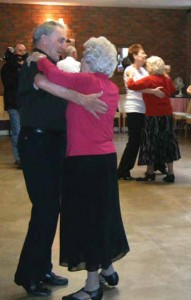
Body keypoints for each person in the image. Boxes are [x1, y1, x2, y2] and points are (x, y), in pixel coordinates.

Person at [29, 36, 130, 300]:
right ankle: (107, 267)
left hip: (84, 162)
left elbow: (50, 72)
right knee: (101, 217)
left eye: (84, 56)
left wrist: (38, 57)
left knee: (87, 221)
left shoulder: (87, 82)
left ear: (91, 61)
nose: (80, 60)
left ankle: (93, 286)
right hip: (105, 160)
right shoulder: (108, 86)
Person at [14, 21, 107, 297]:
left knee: (50, 209)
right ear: (42, 40)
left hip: (51, 144)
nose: (64, 45)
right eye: (60, 39)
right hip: (38, 143)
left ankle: (42, 267)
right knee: (44, 209)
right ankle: (27, 275)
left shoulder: (49, 64)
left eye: (65, 40)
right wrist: (83, 99)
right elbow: (47, 86)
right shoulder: (35, 62)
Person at [126, 56, 181, 182]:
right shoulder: (166, 79)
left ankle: (150, 172)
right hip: (167, 115)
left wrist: (129, 75)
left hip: (153, 116)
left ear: (150, 67)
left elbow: (131, 86)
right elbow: (172, 90)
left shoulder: (149, 79)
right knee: (168, 142)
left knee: (150, 142)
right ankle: (171, 173)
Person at [117, 44, 165, 180]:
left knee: (149, 139)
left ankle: (157, 165)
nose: (145, 55)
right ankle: (122, 171)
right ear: (135, 56)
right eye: (142, 53)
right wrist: (153, 92)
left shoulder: (144, 71)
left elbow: (151, 83)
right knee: (134, 141)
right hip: (134, 109)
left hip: (145, 109)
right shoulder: (129, 70)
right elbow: (134, 87)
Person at [1, 44, 27, 168]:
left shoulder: (26, 66)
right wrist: (17, 68)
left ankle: (26, 156)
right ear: (15, 52)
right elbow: (8, 84)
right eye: (19, 51)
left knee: (26, 131)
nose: (21, 53)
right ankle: (19, 158)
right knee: (17, 131)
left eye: (23, 51)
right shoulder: (7, 68)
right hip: (13, 104)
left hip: (25, 104)